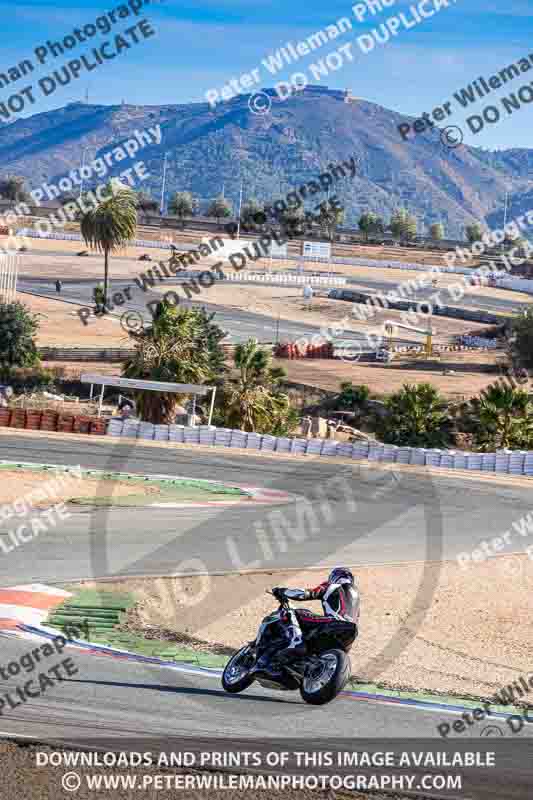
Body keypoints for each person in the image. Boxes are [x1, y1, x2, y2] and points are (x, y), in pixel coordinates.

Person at [268, 567, 360, 662]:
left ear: (334, 577)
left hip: (334, 623)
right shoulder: (356, 598)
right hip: (350, 633)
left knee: (295, 613)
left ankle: (296, 642)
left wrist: (282, 591)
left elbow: (305, 594)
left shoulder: (333, 586)